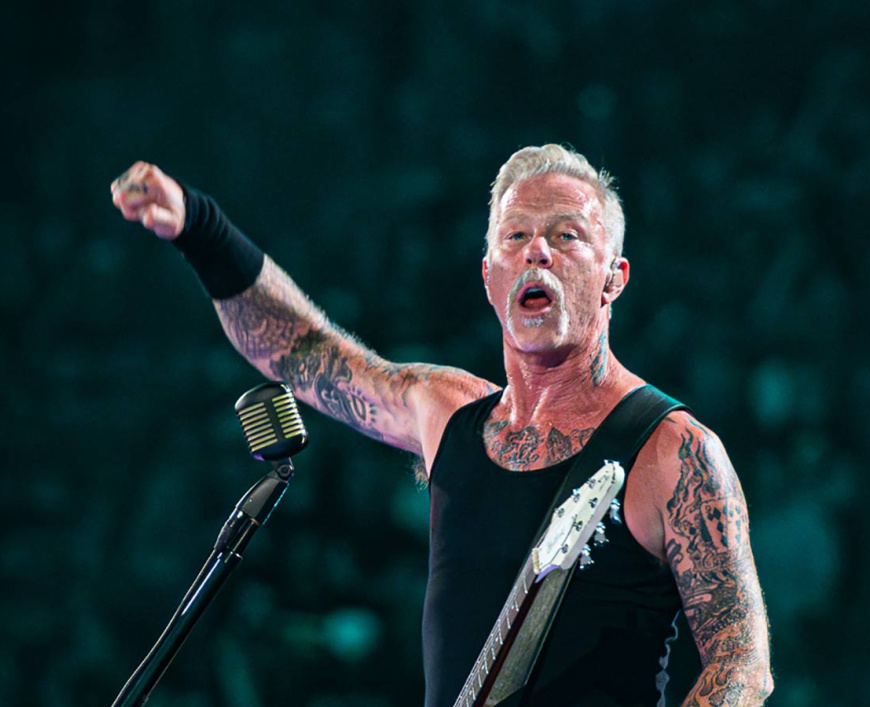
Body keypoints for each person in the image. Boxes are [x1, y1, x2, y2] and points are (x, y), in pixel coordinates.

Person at [111, 144, 774, 706]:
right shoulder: (448, 413)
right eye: (514, 236)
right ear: (490, 277)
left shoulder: (672, 450)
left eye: (566, 236)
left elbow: (741, 666)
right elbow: (304, 352)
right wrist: (200, 229)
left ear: (613, 278)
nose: (537, 251)